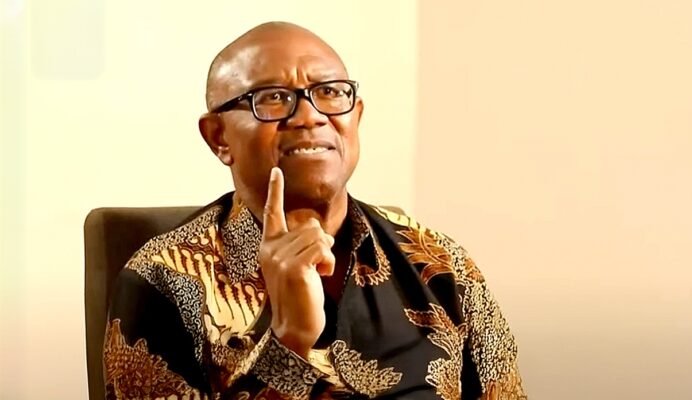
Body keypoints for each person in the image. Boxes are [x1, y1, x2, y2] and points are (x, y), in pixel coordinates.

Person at [103, 21, 526, 400]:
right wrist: (288, 340)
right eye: (273, 97)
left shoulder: (441, 263)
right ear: (219, 137)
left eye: (330, 92)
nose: (309, 116)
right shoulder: (162, 281)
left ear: (356, 116)